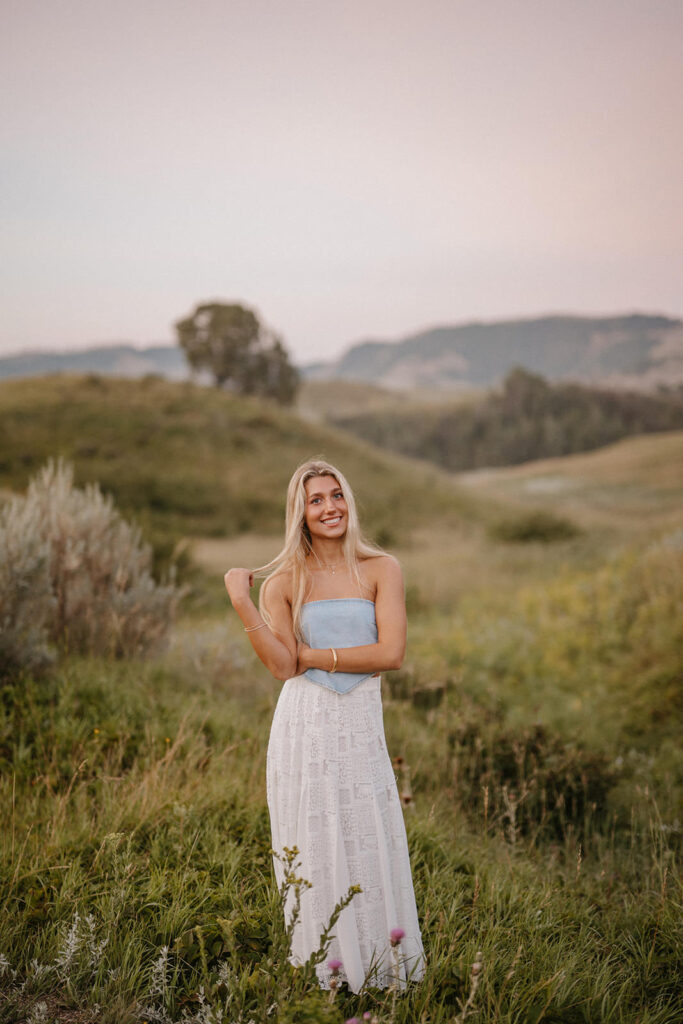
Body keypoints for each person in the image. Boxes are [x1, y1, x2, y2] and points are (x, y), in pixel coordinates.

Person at [224, 458, 425, 993]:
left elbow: (392, 653)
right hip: (305, 723)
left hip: (360, 724)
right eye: (316, 500)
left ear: (348, 500)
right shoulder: (285, 581)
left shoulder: (382, 568)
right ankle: (326, 973)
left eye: (336, 495)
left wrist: (314, 652)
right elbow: (283, 667)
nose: (330, 507)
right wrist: (244, 602)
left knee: (367, 832)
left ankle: (383, 966)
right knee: (316, 839)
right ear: (300, 513)